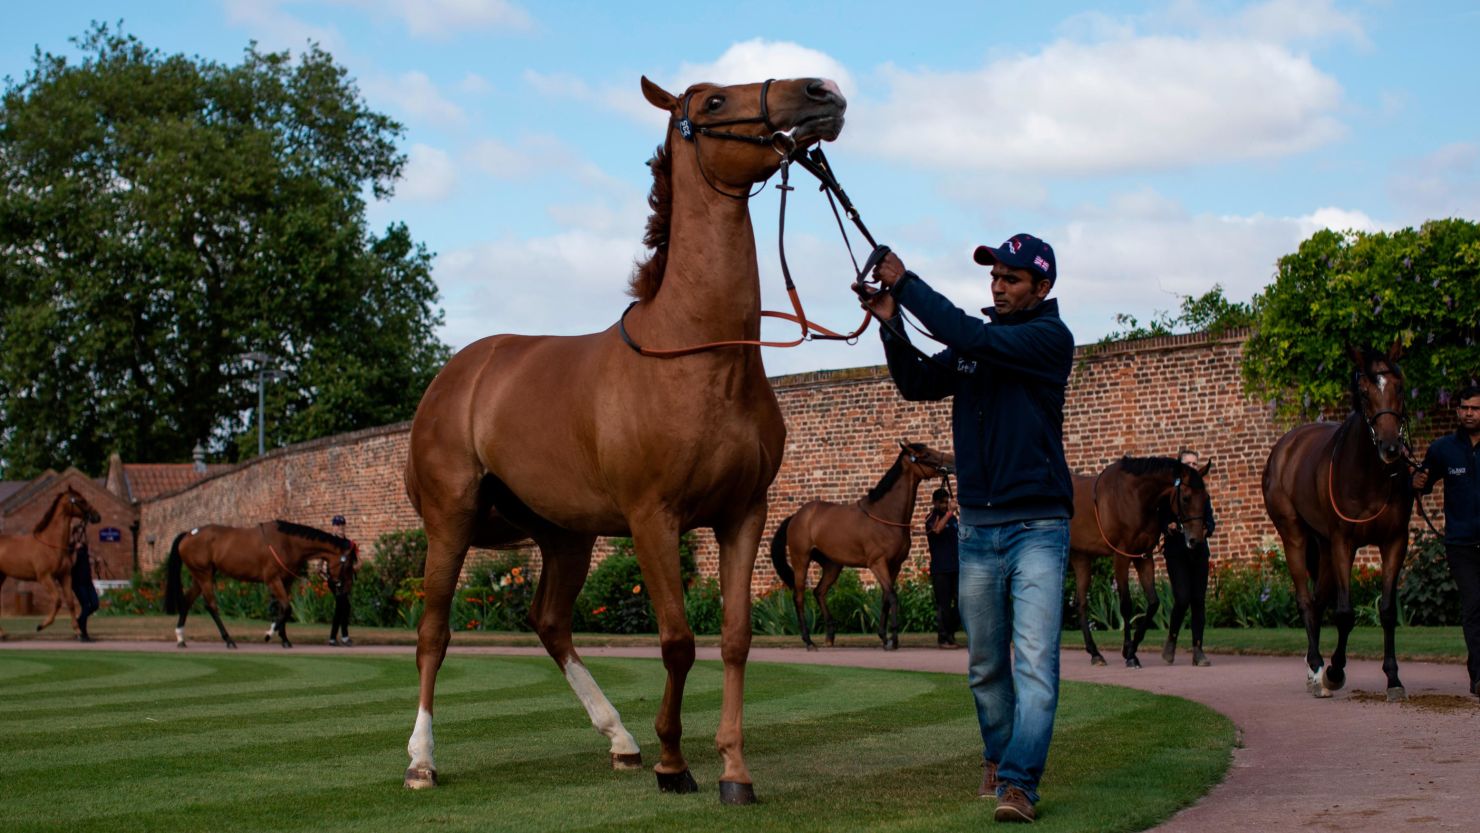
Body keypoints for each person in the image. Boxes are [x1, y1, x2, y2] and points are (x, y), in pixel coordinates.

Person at [859, 233, 1074, 824]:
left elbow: (965, 333)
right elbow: (919, 384)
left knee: (1034, 663)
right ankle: (1000, 757)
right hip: (977, 529)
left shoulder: (1048, 339)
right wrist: (890, 321)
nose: (998, 287)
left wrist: (904, 282)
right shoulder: (981, 346)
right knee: (985, 666)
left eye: (1011, 279)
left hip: (1038, 527)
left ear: (1042, 287)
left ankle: (1018, 783)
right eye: (994, 277)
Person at [1413, 385, 1480, 699]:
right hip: (1461, 544)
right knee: (1474, 607)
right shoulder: (1443, 449)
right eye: (1464, 408)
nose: (1469, 413)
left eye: (1475, 409)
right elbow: (1423, 484)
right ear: (1458, 410)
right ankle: (1478, 675)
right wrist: (1418, 483)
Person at [1162, 449, 1215, 667]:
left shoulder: (1202, 493)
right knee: (1182, 598)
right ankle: (1172, 639)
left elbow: (1210, 521)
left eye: (1195, 464)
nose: (1193, 467)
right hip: (1176, 552)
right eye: (1188, 464)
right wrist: (1169, 526)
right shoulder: (1170, 493)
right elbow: (1162, 520)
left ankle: (1198, 649)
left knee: (1198, 600)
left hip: (1199, 551)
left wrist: (1206, 529)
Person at [923, 487, 962, 649]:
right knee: (944, 605)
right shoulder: (931, 517)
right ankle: (943, 638)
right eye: (943, 502)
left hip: (955, 566)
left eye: (947, 502)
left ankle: (951, 635)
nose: (946, 505)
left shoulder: (952, 519)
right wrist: (949, 513)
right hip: (940, 569)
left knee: (960, 604)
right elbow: (937, 530)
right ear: (935, 503)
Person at [69, 522, 100, 642]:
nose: (81, 535)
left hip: (87, 580)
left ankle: (79, 620)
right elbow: (70, 564)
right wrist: (74, 552)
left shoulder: (84, 546)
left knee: (95, 604)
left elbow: (85, 559)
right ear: (75, 534)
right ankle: (84, 634)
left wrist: (94, 560)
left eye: (82, 532)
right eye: (78, 532)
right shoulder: (71, 547)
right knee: (86, 606)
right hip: (78, 582)